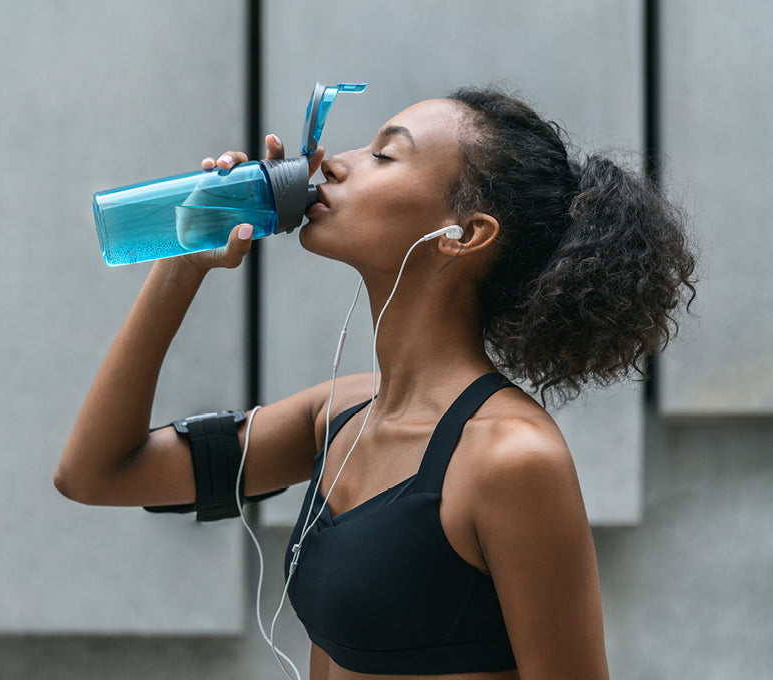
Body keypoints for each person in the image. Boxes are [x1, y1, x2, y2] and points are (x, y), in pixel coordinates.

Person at [55, 87, 697, 680]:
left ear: (465, 234)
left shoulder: (510, 459)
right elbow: (98, 474)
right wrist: (181, 265)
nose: (333, 163)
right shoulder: (339, 414)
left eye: (385, 155)